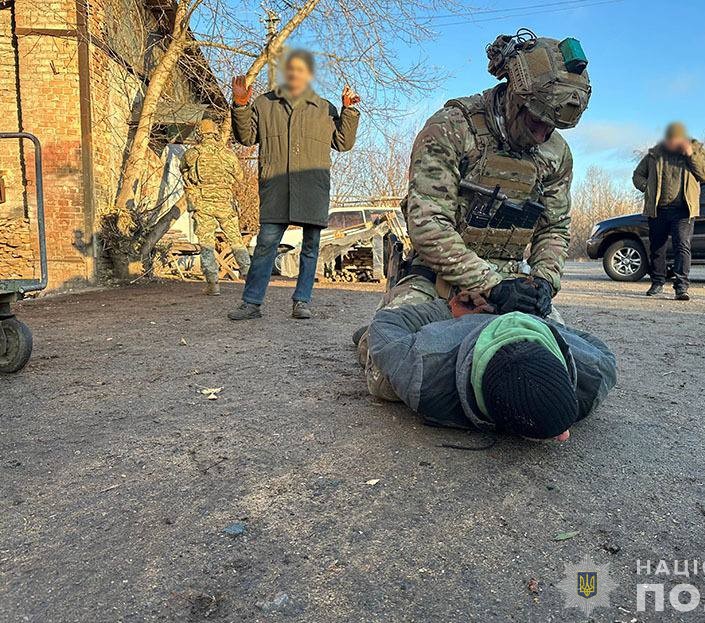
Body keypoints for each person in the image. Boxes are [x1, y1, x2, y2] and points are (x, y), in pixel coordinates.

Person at [357, 30, 592, 398]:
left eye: (554, 127)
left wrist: (544, 282)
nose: (543, 135)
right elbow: (428, 224)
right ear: (515, 96)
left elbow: (555, 228)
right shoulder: (451, 128)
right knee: (390, 380)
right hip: (437, 279)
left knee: (561, 377)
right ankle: (380, 328)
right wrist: (490, 286)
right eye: (535, 122)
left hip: (514, 284)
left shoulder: (555, 154)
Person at [362, 292, 617, 441]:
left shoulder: (594, 372)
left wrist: (535, 317)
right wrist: (448, 309)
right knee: (381, 378)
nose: (566, 436)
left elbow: (600, 348)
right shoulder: (426, 373)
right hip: (457, 324)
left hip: (518, 314)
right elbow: (385, 324)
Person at [227, 49, 360, 320]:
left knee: (310, 248)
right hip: (277, 189)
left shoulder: (324, 108)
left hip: (312, 189)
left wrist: (349, 111)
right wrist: (241, 106)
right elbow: (246, 138)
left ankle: (302, 301)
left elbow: (343, 143)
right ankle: (251, 303)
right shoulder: (264, 105)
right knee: (265, 246)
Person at [632, 122, 705, 300]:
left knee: (682, 246)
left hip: (683, 210)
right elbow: (637, 175)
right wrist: (647, 187)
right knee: (657, 247)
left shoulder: (696, 150)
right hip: (658, 209)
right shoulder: (654, 154)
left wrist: (691, 155)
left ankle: (681, 286)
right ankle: (657, 282)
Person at [180, 118, 250, 296]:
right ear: (216, 133)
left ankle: (213, 284)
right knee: (236, 240)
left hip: (202, 203)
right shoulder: (227, 154)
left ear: (199, 134)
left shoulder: (192, 153)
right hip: (225, 202)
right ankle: (250, 278)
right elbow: (240, 177)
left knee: (207, 243)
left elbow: (183, 169)